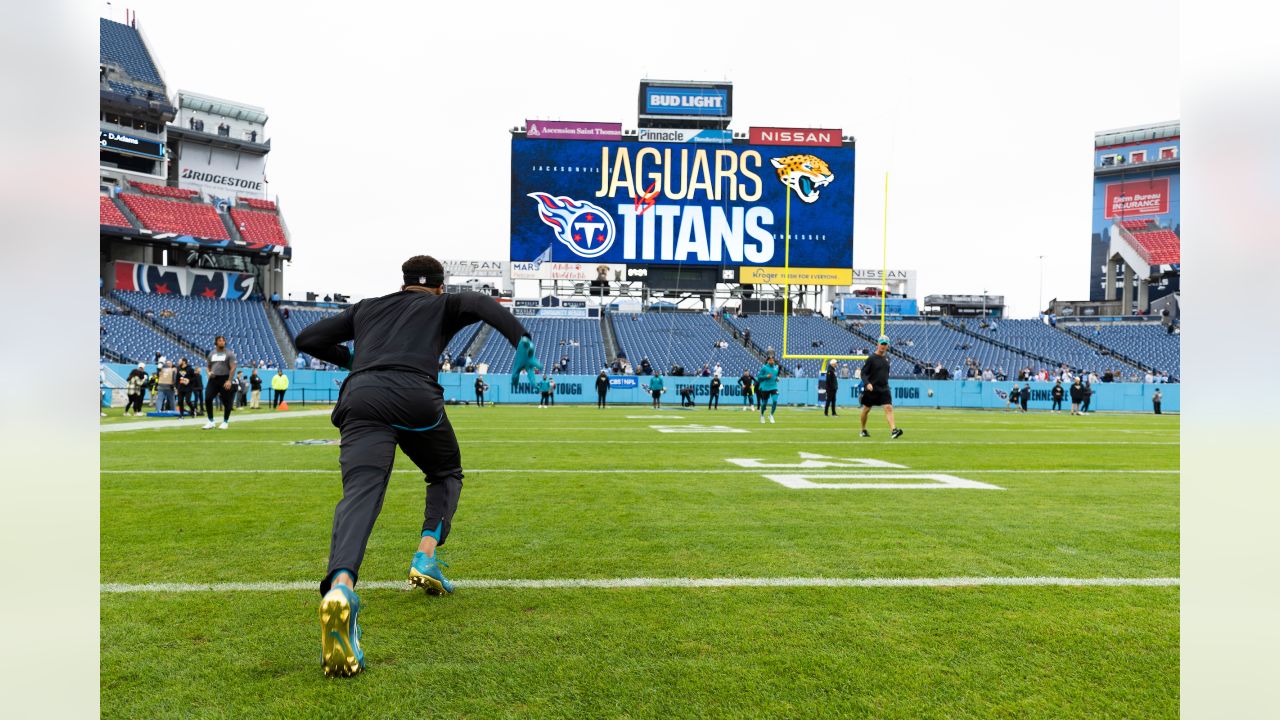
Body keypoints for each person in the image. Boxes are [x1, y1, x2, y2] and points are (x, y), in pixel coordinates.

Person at [294, 254, 538, 678]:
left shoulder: (367, 307)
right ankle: (426, 554)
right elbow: (482, 305)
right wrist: (521, 338)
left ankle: (340, 588)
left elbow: (307, 339)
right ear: (440, 286)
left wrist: (352, 361)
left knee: (361, 492)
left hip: (362, 396)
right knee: (445, 472)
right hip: (414, 395)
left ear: (403, 282)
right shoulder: (442, 304)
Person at [859, 337, 903, 439]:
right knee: (866, 410)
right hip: (872, 389)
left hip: (884, 388)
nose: (883, 346)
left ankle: (893, 430)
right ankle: (863, 429)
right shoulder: (871, 359)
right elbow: (863, 373)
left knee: (888, 408)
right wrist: (867, 383)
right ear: (877, 344)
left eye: (885, 344)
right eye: (882, 343)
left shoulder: (887, 358)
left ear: (887, 346)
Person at [202, 336, 237, 429]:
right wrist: (209, 373)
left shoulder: (229, 354)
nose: (222, 342)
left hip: (225, 379)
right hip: (213, 379)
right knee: (208, 398)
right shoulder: (211, 354)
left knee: (227, 402)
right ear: (216, 342)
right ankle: (211, 421)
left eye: (223, 341)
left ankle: (225, 422)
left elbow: (233, 367)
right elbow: (208, 366)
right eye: (220, 341)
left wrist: (229, 380)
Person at [755, 356, 780, 423]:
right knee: (765, 403)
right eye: (770, 360)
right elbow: (759, 377)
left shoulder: (776, 367)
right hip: (765, 387)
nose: (772, 361)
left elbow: (776, 376)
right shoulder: (764, 368)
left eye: (773, 360)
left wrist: (777, 378)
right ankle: (762, 415)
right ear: (768, 361)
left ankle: (771, 415)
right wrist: (766, 376)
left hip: (774, 387)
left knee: (775, 401)